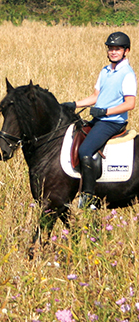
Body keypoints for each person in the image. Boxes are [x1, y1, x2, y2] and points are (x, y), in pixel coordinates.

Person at [64, 32, 136, 209]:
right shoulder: (105, 71)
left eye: (117, 49)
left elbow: (130, 103)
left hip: (113, 122)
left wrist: (106, 111)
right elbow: (95, 97)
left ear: (126, 51)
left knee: (85, 149)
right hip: (99, 119)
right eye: (111, 48)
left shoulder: (127, 74)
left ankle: (88, 198)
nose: (113, 52)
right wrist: (73, 104)